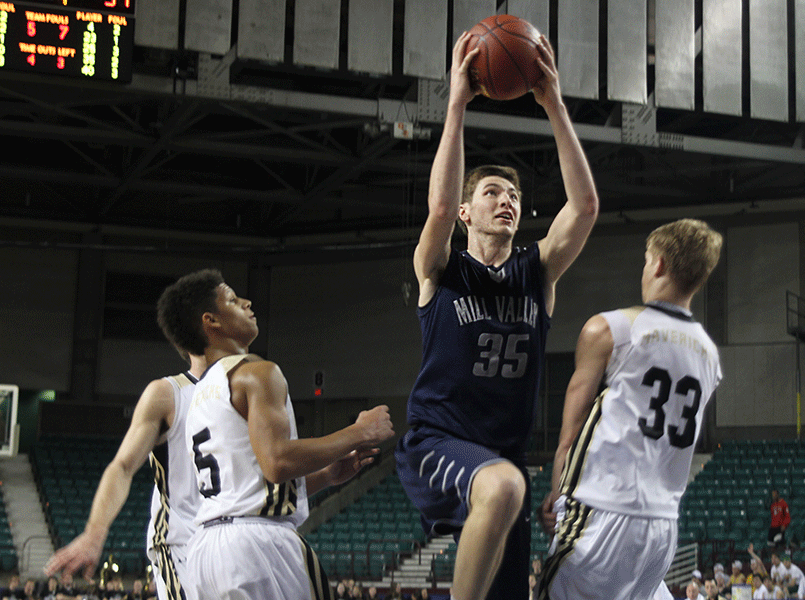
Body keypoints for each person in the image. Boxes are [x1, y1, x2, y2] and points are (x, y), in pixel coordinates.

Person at [393, 24, 599, 600]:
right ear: (466, 211)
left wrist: (553, 103)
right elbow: (435, 204)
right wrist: (456, 103)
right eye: (491, 193)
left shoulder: (537, 273)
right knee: (505, 486)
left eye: (512, 196)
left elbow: (584, 207)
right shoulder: (442, 271)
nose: (506, 200)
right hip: (438, 441)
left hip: (503, 457)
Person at [155, 269, 394, 600]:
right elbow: (277, 462)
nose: (247, 302)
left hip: (206, 553)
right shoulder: (257, 371)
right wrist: (359, 431)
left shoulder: (198, 396)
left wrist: (326, 475)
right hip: (257, 548)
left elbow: (245, 491)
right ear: (212, 322)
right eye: (233, 299)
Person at [537, 220, 722, 600]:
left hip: (603, 508)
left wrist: (557, 494)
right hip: (662, 526)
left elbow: (571, 432)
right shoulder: (709, 353)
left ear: (658, 265)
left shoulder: (611, 328)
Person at [44, 336, 206, 600]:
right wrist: (94, 533)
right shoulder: (170, 393)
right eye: (231, 300)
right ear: (205, 323)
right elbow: (122, 467)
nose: (246, 305)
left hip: (236, 542)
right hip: (185, 542)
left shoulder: (254, 386)